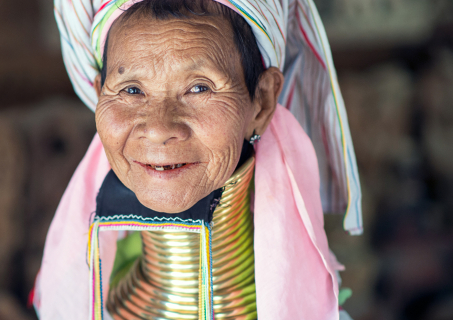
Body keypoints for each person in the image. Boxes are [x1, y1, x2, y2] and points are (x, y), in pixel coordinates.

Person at [34, 0, 363, 319]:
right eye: (131, 90)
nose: (160, 128)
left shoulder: (319, 311)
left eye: (199, 88)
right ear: (98, 95)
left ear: (261, 102)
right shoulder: (86, 302)